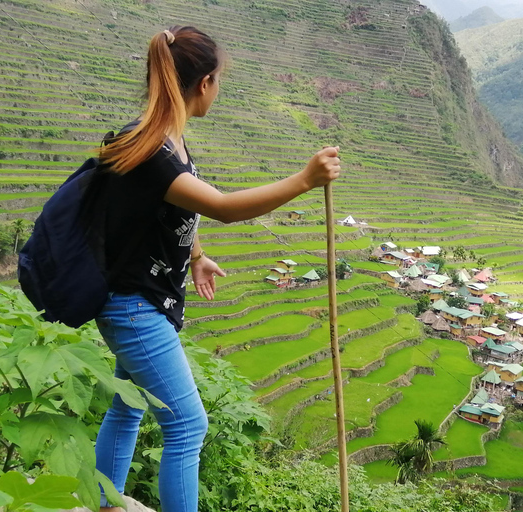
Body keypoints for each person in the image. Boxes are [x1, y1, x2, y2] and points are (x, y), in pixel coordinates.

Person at [92, 26, 340, 512]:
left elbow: (170, 209)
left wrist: (197, 256)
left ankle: (103, 501)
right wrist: (305, 180)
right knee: (188, 424)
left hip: (139, 300)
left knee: (129, 404)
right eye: (218, 80)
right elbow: (223, 206)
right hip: (133, 307)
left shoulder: (161, 142)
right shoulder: (152, 152)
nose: (218, 90)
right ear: (204, 83)